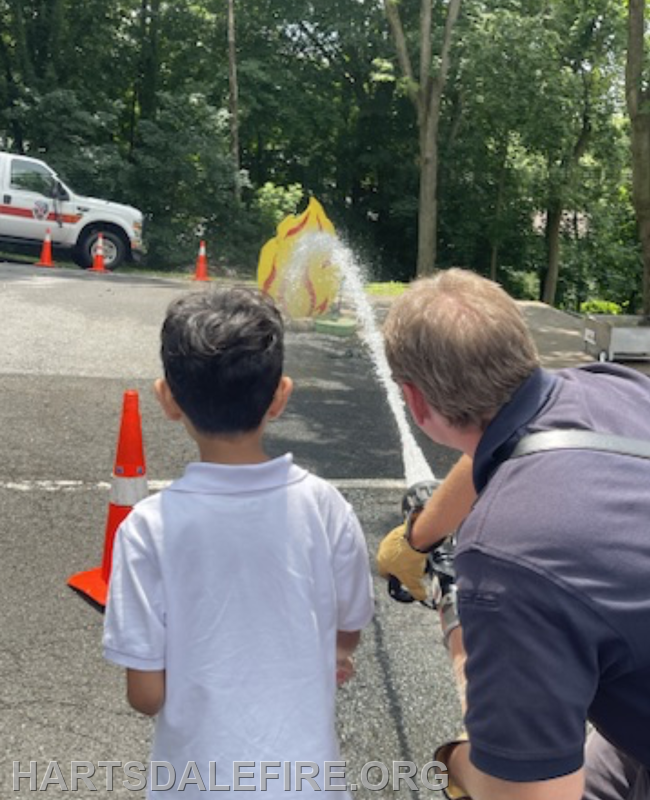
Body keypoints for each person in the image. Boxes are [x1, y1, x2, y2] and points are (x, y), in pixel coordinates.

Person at [377, 268, 650, 800]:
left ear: (414, 400)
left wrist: (459, 754)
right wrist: (420, 538)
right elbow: (501, 443)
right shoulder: (611, 387)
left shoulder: (506, 556)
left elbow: (535, 797)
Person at [103, 287, 374, 797]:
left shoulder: (148, 527)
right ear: (280, 396)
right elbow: (350, 625)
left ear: (167, 398)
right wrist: (336, 653)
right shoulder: (325, 506)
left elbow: (145, 694)